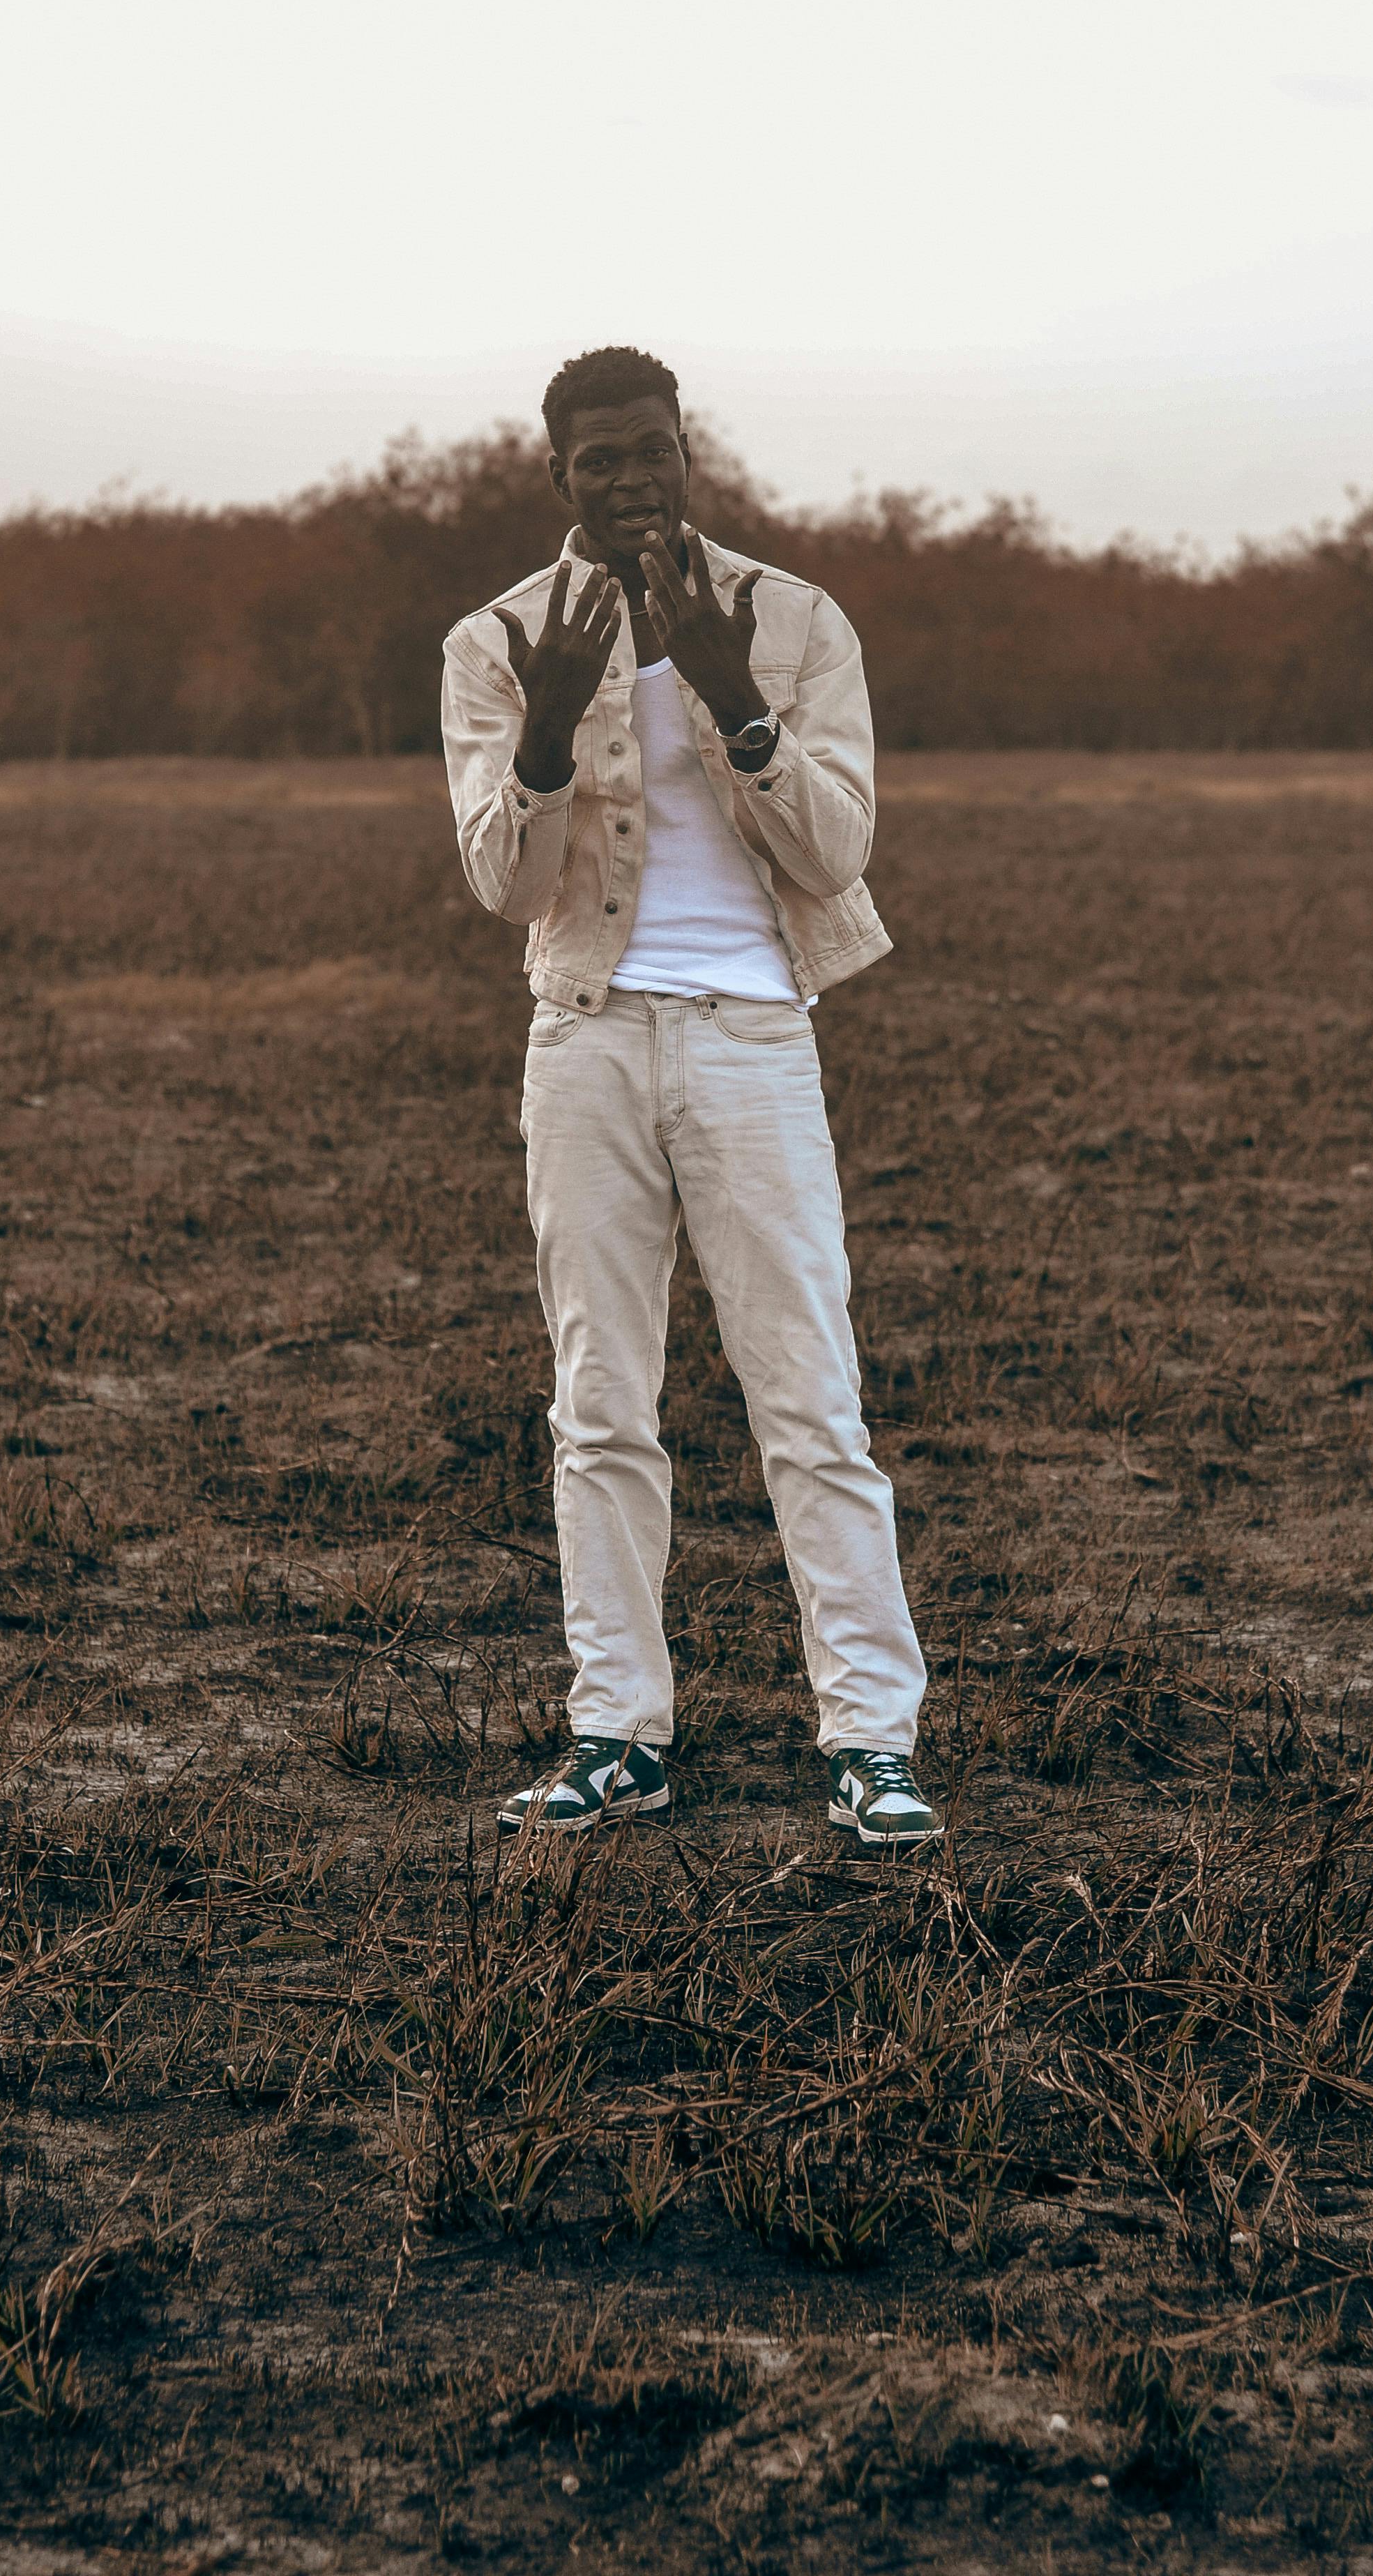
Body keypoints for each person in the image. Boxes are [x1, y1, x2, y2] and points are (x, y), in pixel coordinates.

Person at [439, 344, 943, 1850]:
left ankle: (869, 1740)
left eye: (651, 448)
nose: (631, 477)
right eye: (597, 459)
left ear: (686, 449)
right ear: (560, 476)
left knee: (811, 1399)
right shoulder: (498, 640)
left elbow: (836, 851)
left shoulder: (789, 621)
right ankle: (620, 1732)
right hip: (584, 1039)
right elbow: (497, 882)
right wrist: (544, 734)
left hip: (751, 1037)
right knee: (601, 1404)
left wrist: (738, 708)